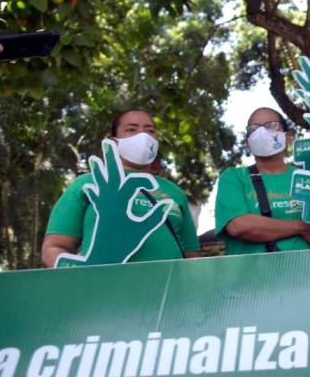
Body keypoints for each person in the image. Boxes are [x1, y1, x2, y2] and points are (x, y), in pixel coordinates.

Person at [41, 109, 200, 266]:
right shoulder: (87, 183)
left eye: (150, 131)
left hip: (169, 289)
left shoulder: (174, 191)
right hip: (107, 289)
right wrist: (82, 283)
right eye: (131, 129)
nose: (143, 136)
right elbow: (54, 247)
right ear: (114, 141)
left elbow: (192, 255)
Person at [215, 107, 310, 255]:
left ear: (288, 137)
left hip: (306, 273)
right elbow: (239, 226)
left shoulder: (308, 179)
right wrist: (301, 227)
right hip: (252, 276)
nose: (261, 133)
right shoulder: (233, 178)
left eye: (271, 126)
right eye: (253, 129)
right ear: (247, 143)